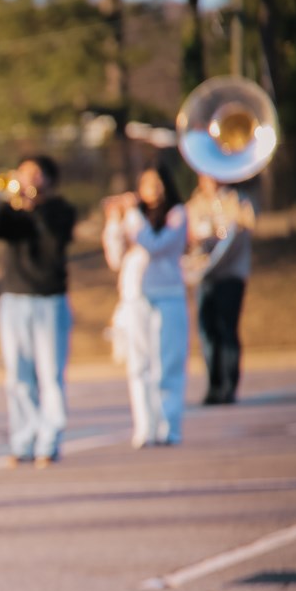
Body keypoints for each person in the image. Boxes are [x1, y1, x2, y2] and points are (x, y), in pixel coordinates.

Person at [0, 154, 77, 467]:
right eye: (23, 173)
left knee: (50, 374)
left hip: (49, 299)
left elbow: (55, 242)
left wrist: (35, 209)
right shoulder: (13, 212)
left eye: (35, 174)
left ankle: (48, 441)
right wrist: (10, 202)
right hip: (14, 299)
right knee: (17, 376)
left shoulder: (60, 210)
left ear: (49, 179)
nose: (27, 180)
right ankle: (23, 439)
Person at [103, 165, 190, 448]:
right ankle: (145, 426)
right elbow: (115, 258)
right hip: (135, 296)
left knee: (168, 363)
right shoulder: (133, 219)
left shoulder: (177, 215)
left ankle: (170, 425)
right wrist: (114, 222)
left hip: (169, 294)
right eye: (145, 183)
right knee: (138, 364)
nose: (150, 189)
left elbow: (155, 244)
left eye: (155, 183)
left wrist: (131, 214)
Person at [185, 173, 256, 405]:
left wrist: (226, 213)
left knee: (227, 329)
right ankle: (213, 385)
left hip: (230, 274)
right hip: (204, 275)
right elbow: (188, 235)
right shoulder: (196, 203)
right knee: (207, 331)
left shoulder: (237, 200)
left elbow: (245, 226)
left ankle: (228, 385)